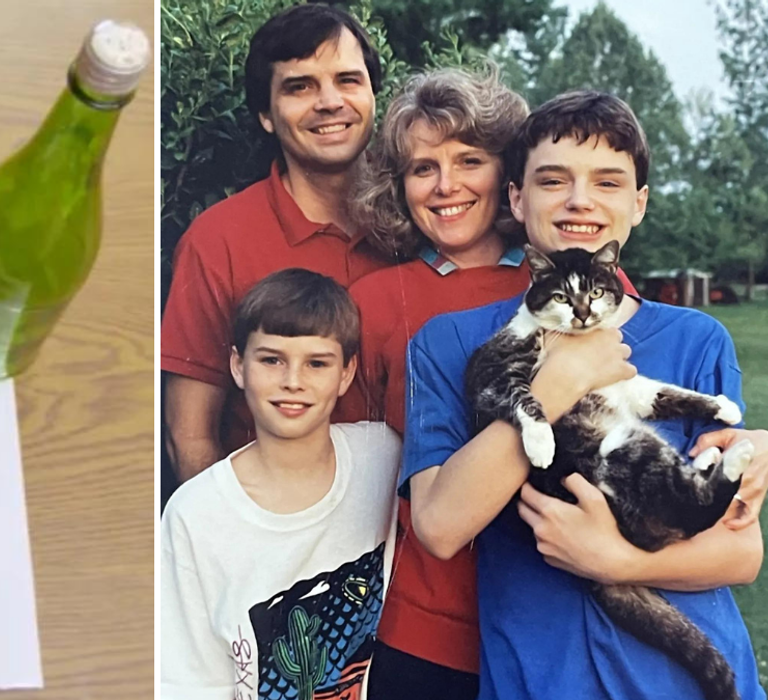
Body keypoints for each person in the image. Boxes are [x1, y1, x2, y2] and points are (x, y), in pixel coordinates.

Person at [401, 90, 768, 699]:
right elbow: (439, 526)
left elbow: (741, 552)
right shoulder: (450, 342)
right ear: (516, 197)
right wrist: (560, 381)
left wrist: (621, 565)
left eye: (608, 181)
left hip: (685, 681)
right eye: (552, 180)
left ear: (639, 203)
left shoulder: (696, 338)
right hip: (543, 677)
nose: (579, 199)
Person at [162, 3, 392, 484]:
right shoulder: (219, 239)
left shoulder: (418, 224)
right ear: (266, 114)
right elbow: (190, 435)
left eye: (348, 80)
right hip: (274, 540)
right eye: (299, 86)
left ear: (373, 94)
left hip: (413, 540)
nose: (330, 101)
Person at [160, 268, 400, 700]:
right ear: (238, 365)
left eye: (317, 363)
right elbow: (189, 681)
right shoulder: (194, 514)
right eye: (271, 360)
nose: (293, 381)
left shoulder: (383, 457)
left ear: (347, 373)